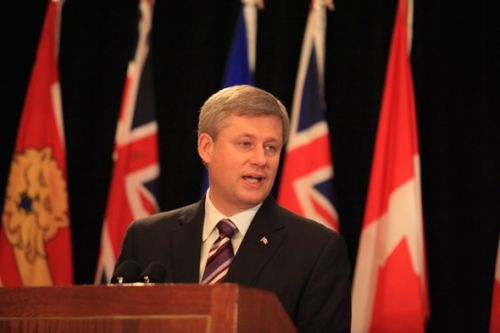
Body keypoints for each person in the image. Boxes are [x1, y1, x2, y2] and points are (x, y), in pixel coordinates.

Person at [114, 85, 351, 332]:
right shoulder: (147, 237)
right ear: (206, 147)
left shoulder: (316, 250)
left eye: (271, 147)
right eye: (246, 144)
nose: (261, 160)